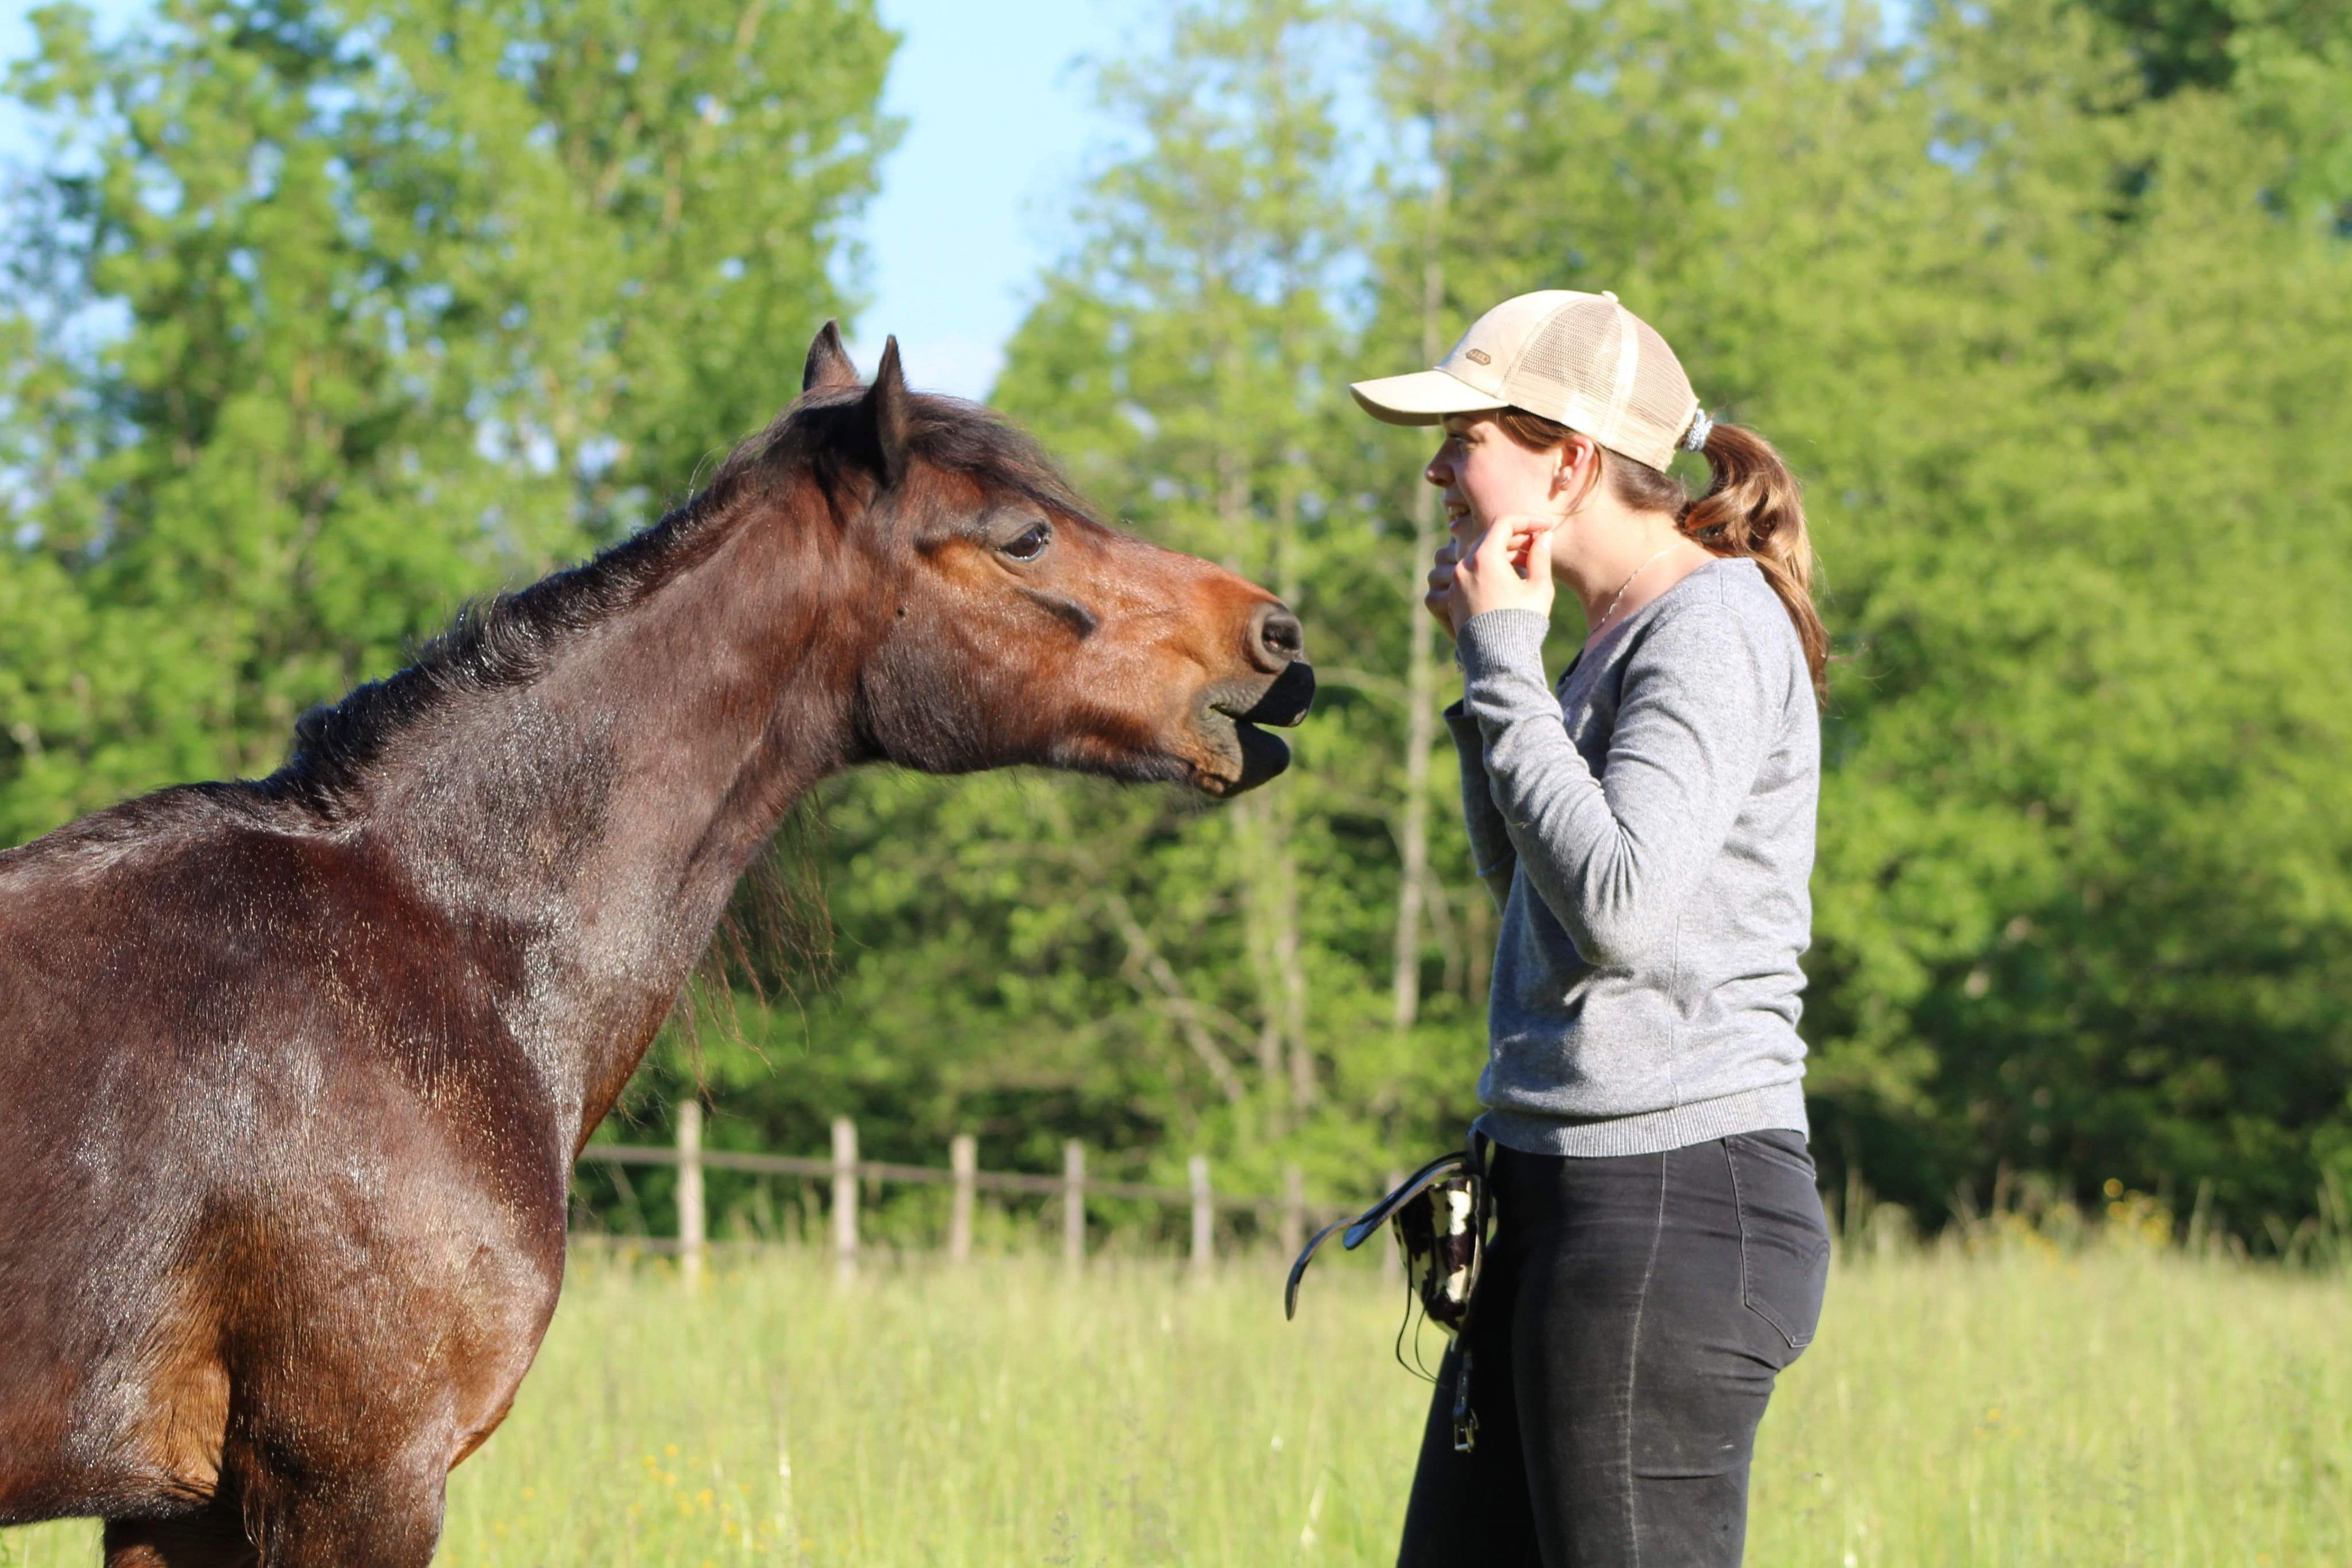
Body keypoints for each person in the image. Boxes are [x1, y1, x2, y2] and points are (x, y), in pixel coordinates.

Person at [1350, 290, 1834, 1566]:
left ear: (1567, 463)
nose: (1439, 465)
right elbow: (1541, 899)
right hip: (1560, 1202)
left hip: (1668, 1206)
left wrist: (1507, 665)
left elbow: (1618, 907)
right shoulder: (1612, 638)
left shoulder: (1714, 624)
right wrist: (1493, 679)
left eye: (1467, 434)